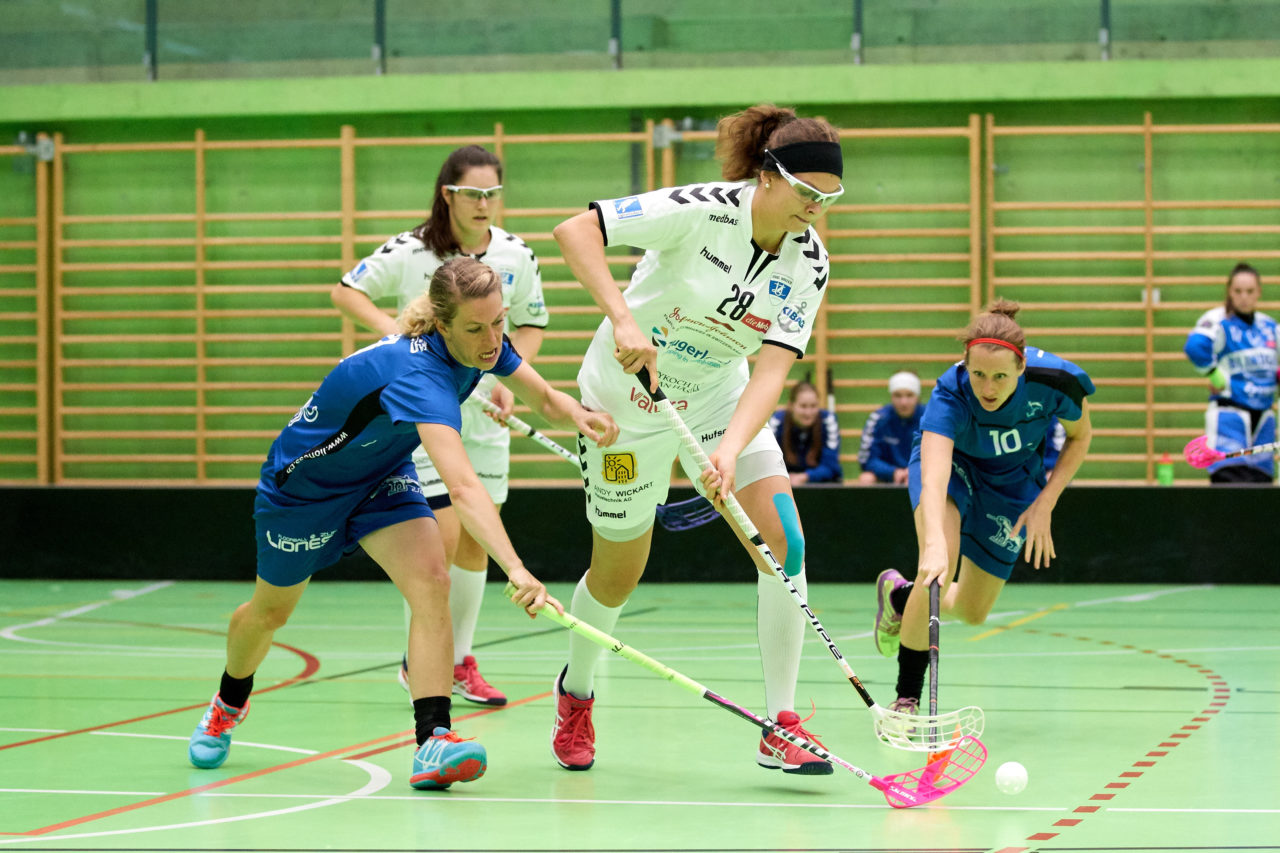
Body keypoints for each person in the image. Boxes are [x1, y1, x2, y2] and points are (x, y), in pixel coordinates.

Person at [187, 258, 616, 790]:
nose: (492, 340)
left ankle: (433, 742)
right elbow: (462, 487)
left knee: (433, 584)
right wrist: (517, 569)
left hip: (380, 477)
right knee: (269, 613)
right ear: (442, 324)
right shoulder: (418, 377)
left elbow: (544, 398)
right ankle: (229, 699)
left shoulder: (482, 343)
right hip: (303, 492)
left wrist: (579, 414)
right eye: (477, 328)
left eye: (499, 322)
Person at [550, 103, 841, 775]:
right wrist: (621, 317)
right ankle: (578, 690)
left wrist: (731, 446)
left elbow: (772, 365)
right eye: (805, 191)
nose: (815, 208)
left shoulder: (811, 264)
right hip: (626, 399)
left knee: (783, 544)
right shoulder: (701, 208)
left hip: (717, 394)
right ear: (768, 175)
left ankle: (780, 723)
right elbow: (575, 231)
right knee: (618, 571)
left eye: (828, 198)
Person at [333, 145, 548, 705]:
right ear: (449, 195)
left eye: (492, 193)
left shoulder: (517, 254)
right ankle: (420, 657)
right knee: (443, 534)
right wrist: (398, 337)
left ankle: (458, 661)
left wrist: (506, 378)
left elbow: (531, 325)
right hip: (423, 416)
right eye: (473, 194)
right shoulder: (411, 250)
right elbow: (345, 289)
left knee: (478, 540)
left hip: (484, 416)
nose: (484, 204)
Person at [870, 299, 1094, 714]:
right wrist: (935, 542)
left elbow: (1081, 436)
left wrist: (1046, 501)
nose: (987, 388)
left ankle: (900, 598)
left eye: (1000, 377)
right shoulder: (950, 392)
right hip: (953, 467)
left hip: (1012, 483)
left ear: (1021, 368)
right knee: (940, 566)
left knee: (973, 612)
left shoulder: (1057, 382)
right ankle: (906, 699)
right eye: (978, 374)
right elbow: (934, 474)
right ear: (965, 363)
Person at [1183, 262, 1277, 484]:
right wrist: (1213, 372)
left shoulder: (1270, 326)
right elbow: (1195, 346)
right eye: (1238, 291)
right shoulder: (1219, 320)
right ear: (1229, 291)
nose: (1244, 297)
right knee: (1230, 491)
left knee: (1262, 496)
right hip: (1230, 417)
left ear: (1259, 292)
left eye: (1250, 291)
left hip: (1264, 421)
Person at [768, 379, 843, 484]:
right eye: (803, 406)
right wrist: (786, 478)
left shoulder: (828, 420)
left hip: (822, 484)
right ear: (791, 405)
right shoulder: (777, 421)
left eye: (813, 406)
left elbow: (831, 466)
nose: (808, 412)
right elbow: (769, 463)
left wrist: (805, 477)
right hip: (785, 483)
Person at [856, 370, 924, 485]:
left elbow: (941, 458)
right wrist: (893, 472)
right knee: (866, 478)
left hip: (921, 475)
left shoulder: (930, 419)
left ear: (917, 397)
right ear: (891, 396)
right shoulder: (878, 419)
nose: (904, 402)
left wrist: (916, 471)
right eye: (898, 395)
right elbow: (867, 459)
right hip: (889, 475)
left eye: (909, 395)